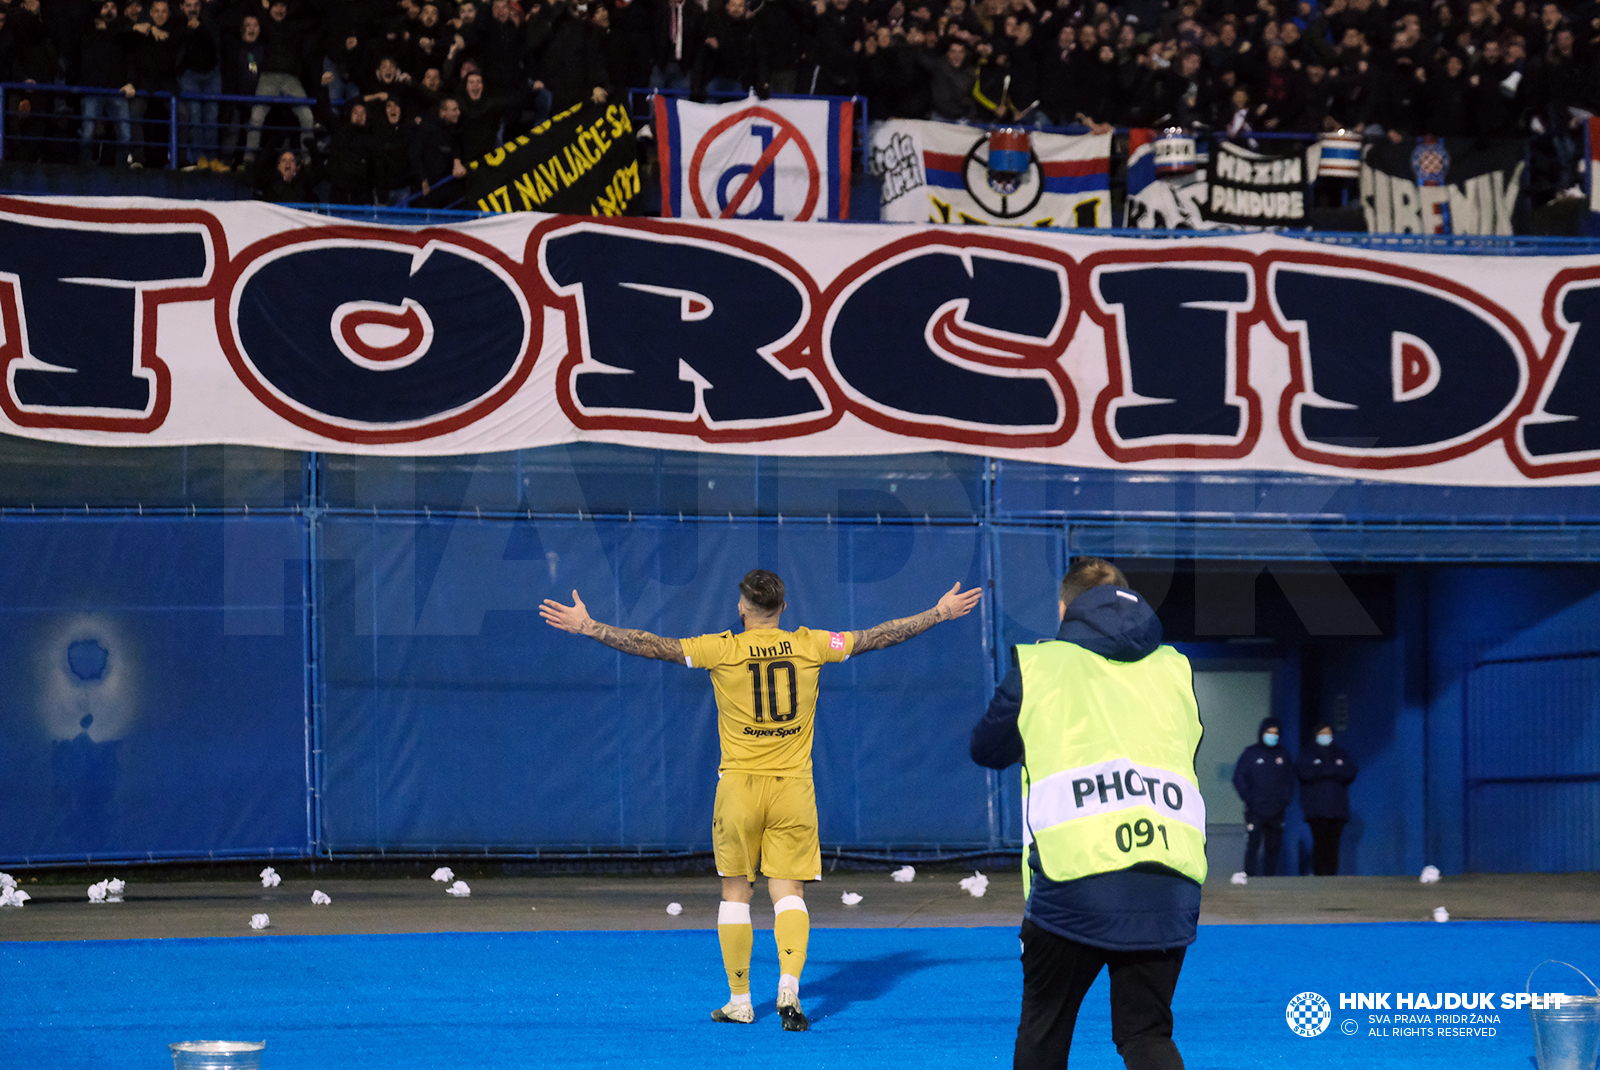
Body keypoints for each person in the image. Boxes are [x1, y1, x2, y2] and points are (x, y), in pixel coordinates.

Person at [541, 569, 982, 1031]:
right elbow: (876, 637)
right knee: (788, 892)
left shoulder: (722, 649)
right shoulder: (811, 645)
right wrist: (939, 613)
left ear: (741, 607)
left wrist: (590, 627)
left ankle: (740, 1000)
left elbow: (653, 644)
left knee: (736, 893)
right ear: (783, 609)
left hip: (739, 789)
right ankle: (789, 987)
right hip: (793, 788)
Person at [971, 557, 1204, 1070]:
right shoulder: (1175, 667)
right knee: (1146, 1034)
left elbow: (986, 748)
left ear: (1064, 608)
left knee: (1045, 1032)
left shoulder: (1042, 665)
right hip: (1166, 880)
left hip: (1073, 879)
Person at [1232, 716, 1295, 877]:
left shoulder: (1283, 754)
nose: (1272, 735)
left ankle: (1270, 883)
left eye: (1275, 732)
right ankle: (1249, 880)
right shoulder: (1251, 753)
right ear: (1262, 733)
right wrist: (1250, 799)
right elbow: (1238, 778)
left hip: (1277, 811)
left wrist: (1284, 800)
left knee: (1273, 848)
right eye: (1269, 732)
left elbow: (1290, 780)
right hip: (1255, 811)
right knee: (1252, 847)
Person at [1294, 725, 1357, 875]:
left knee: (1333, 847)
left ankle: (1331, 879)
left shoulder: (1341, 753)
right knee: (1320, 845)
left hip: (1338, 810)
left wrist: (1328, 770)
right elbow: (1303, 773)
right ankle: (1320, 877)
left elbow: (1350, 771)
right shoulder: (1307, 754)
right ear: (1316, 735)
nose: (1326, 736)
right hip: (1316, 811)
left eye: (1328, 733)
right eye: (1322, 733)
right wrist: (1326, 770)